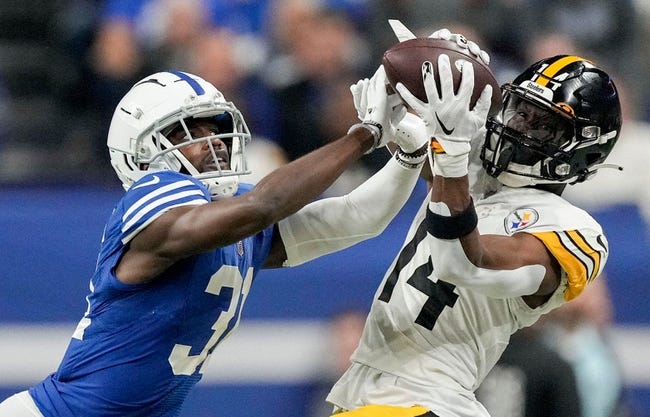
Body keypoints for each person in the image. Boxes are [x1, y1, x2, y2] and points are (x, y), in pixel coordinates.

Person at [0, 65, 432, 417]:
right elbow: (264, 205)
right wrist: (365, 133)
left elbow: (356, 218)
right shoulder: (152, 200)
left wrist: (408, 155)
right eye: (190, 131)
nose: (213, 142)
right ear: (142, 153)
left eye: (215, 127)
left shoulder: (233, 216)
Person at [326, 22, 623, 417]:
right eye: (521, 112)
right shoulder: (477, 172)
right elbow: (423, 135)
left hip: (424, 398)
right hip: (383, 394)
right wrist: (403, 95)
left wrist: (448, 149)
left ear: (583, 151)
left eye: (543, 126)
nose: (520, 128)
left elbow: (464, 261)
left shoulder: (573, 230)